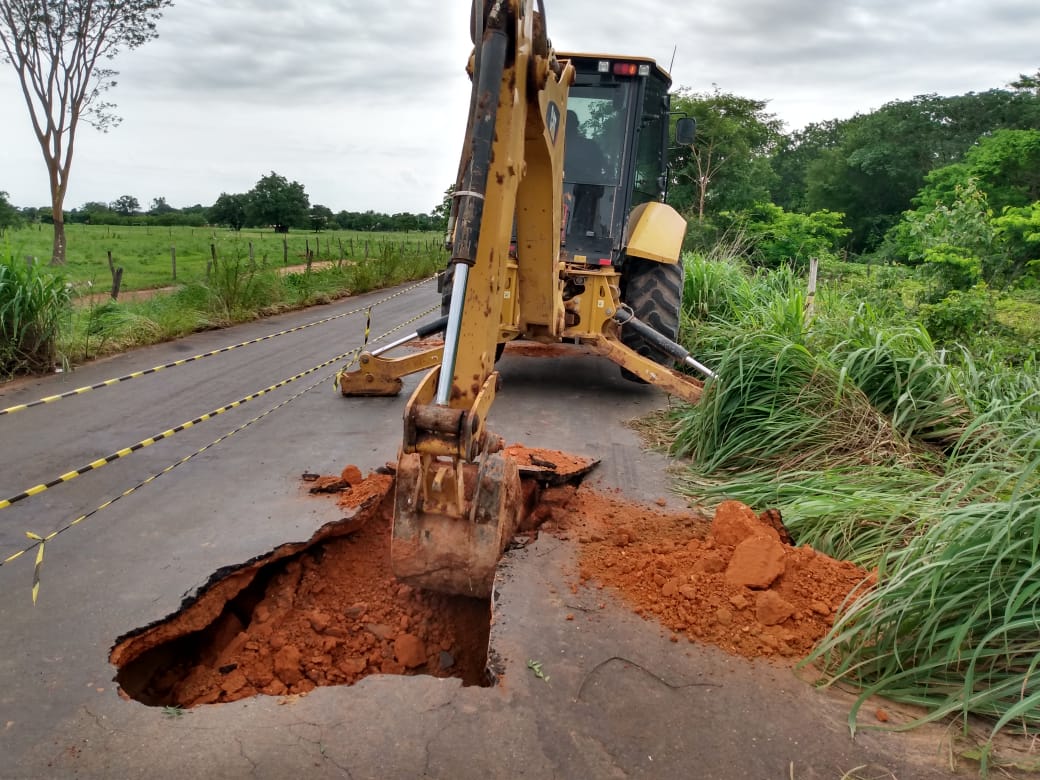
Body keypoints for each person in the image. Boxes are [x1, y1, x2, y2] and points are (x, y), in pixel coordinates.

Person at [564, 110, 607, 238]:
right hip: (557, 188)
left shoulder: (590, 147)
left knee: (588, 188)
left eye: (569, 124)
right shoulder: (550, 146)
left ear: (576, 125)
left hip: (582, 193)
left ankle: (579, 232)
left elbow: (599, 172)